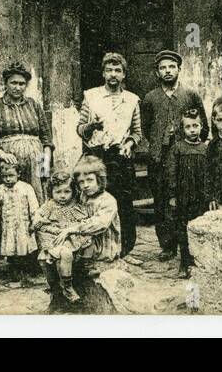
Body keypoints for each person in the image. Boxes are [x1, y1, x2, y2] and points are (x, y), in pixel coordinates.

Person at [141, 49, 207, 259]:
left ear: (179, 69)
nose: (167, 71)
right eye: (163, 68)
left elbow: (203, 127)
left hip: (186, 157)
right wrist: (158, 145)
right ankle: (167, 245)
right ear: (157, 72)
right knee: (161, 202)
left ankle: (191, 245)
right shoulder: (151, 98)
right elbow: (145, 128)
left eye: (171, 67)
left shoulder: (190, 95)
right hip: (160, 158)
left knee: (188, 199)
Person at [76, 52, 142, 256]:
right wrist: (91, 126)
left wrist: (130, 143)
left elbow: (137, 132)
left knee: (123, 203)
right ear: (103, 73)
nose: (113, 74)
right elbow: (79, 128)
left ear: (124, 75)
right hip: (97, 156)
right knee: (95, 201)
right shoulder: (91, 96)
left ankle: (124, 250)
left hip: (120, 157)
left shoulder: (131, 100)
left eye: (118, 71)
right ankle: (96, 249)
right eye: (109, 70)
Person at [0, 61, 53, 206]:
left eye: (22, 84)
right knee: (10, 203)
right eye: (13, 83)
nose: (18, 87)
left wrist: (45, 162)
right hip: (8, 163)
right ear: (5, 83)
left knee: (37, 200)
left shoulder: (33, 105)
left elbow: (46, 137)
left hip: (35, 161)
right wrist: (2, 155)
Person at [165, 112, 211, 278]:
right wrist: (172, 195)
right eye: (188, 126)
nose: (192, 130)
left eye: (195, 126)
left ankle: (199, 261)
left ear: (201, 127)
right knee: (183, 229)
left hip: (201, 196)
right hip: (183, 196)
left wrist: (209, 196)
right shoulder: (177, 148)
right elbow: (171, 173)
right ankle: (184, 263)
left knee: (200, 228)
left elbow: (209, 174)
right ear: (182, 129)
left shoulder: (206, 148)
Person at [32, 171, 89, 304]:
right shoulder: (50, 205)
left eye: (67, 191)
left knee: (68, 254)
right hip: (53, 238)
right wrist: (39, 220)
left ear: (73, 191)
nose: (62, 196)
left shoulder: (76, 205)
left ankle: (67, 286)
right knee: (51, 257)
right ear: (51, 192)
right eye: (58, 192)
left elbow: (83, 222)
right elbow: (37, 216)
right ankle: (59, 287)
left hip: (71, 238)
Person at [69, 156, 123, 288]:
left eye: (90, 180)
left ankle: (87, 265)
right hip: (86, 244)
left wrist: (76, 228)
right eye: (81, 182)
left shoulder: (107, 200)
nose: (85, 185)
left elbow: (99, 224)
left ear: (99, 180)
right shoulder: (83, 197)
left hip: (104, 246)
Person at [0, 161, 39, 284]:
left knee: (24, 248)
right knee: (10, 249)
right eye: (4, 176)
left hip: (23, 225)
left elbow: (34, 206)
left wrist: (34, 221)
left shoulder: (26, 188)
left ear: (18, 174)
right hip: (8, 225)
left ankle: (25, 274)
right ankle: (14, 273)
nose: (8, 179)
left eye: (11, 176)